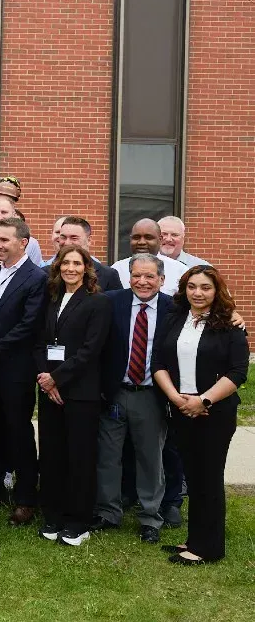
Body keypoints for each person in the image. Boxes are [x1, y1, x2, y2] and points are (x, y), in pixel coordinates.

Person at [152, 266, 249, 565]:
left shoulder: (231, 325)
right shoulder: (175, 318)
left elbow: (238, 372)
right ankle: (195, 540)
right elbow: (159, 362)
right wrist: (175, 398)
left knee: (208, 477)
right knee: (192, 477)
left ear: (216, 290)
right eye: (192, 286)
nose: (198, 292)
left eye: (205, 287)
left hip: (214, 413)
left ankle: (209, 549)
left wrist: (203, 400)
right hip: (180, 408)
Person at [34, 245, 112, 547]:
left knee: (79, 458)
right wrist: (45, 378)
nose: (70, 268)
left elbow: (91, 351)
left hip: (80, 393)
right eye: (65, 263)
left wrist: (57, 378)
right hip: (49, 391)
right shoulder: (51, 299)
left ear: (87, 268)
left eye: (77, 263)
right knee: (52, 456)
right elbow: (38, 342)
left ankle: (78, 522)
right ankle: (52, 516)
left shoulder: (98, 302)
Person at [93, 253, 172, 544]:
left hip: (150, 395)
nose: (142, 281)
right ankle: (107, 512)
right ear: (129, 276)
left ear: (161, 280)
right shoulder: (111, 301)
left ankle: (150, 517)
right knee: (108, 456)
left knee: (150, 458)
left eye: (150, 276)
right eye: (137, 275)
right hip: (114, 392)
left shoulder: (173, 308)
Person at [0, 217, 47, 525]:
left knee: (18, 432)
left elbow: (29, 324)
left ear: (23, 243)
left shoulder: (37, 278)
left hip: (16, 369)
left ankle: (25, 498)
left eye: (5, 240)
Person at [111, 219, 187, 296]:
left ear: (160, 240)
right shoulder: (117, 269)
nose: (142, 242)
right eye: (136, 237)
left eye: (148, 237)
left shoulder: (179, 271)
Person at [55, 217, 123, 290]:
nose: (67, 243)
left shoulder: (108, 275)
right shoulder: (46, 274)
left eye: (74, 238)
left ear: (89, 240)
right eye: (63, 237)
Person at [0, 193, 43, 265]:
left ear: (14, 214)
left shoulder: (30, 244)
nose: (0, 217)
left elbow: (35, 273)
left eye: (4, 212)